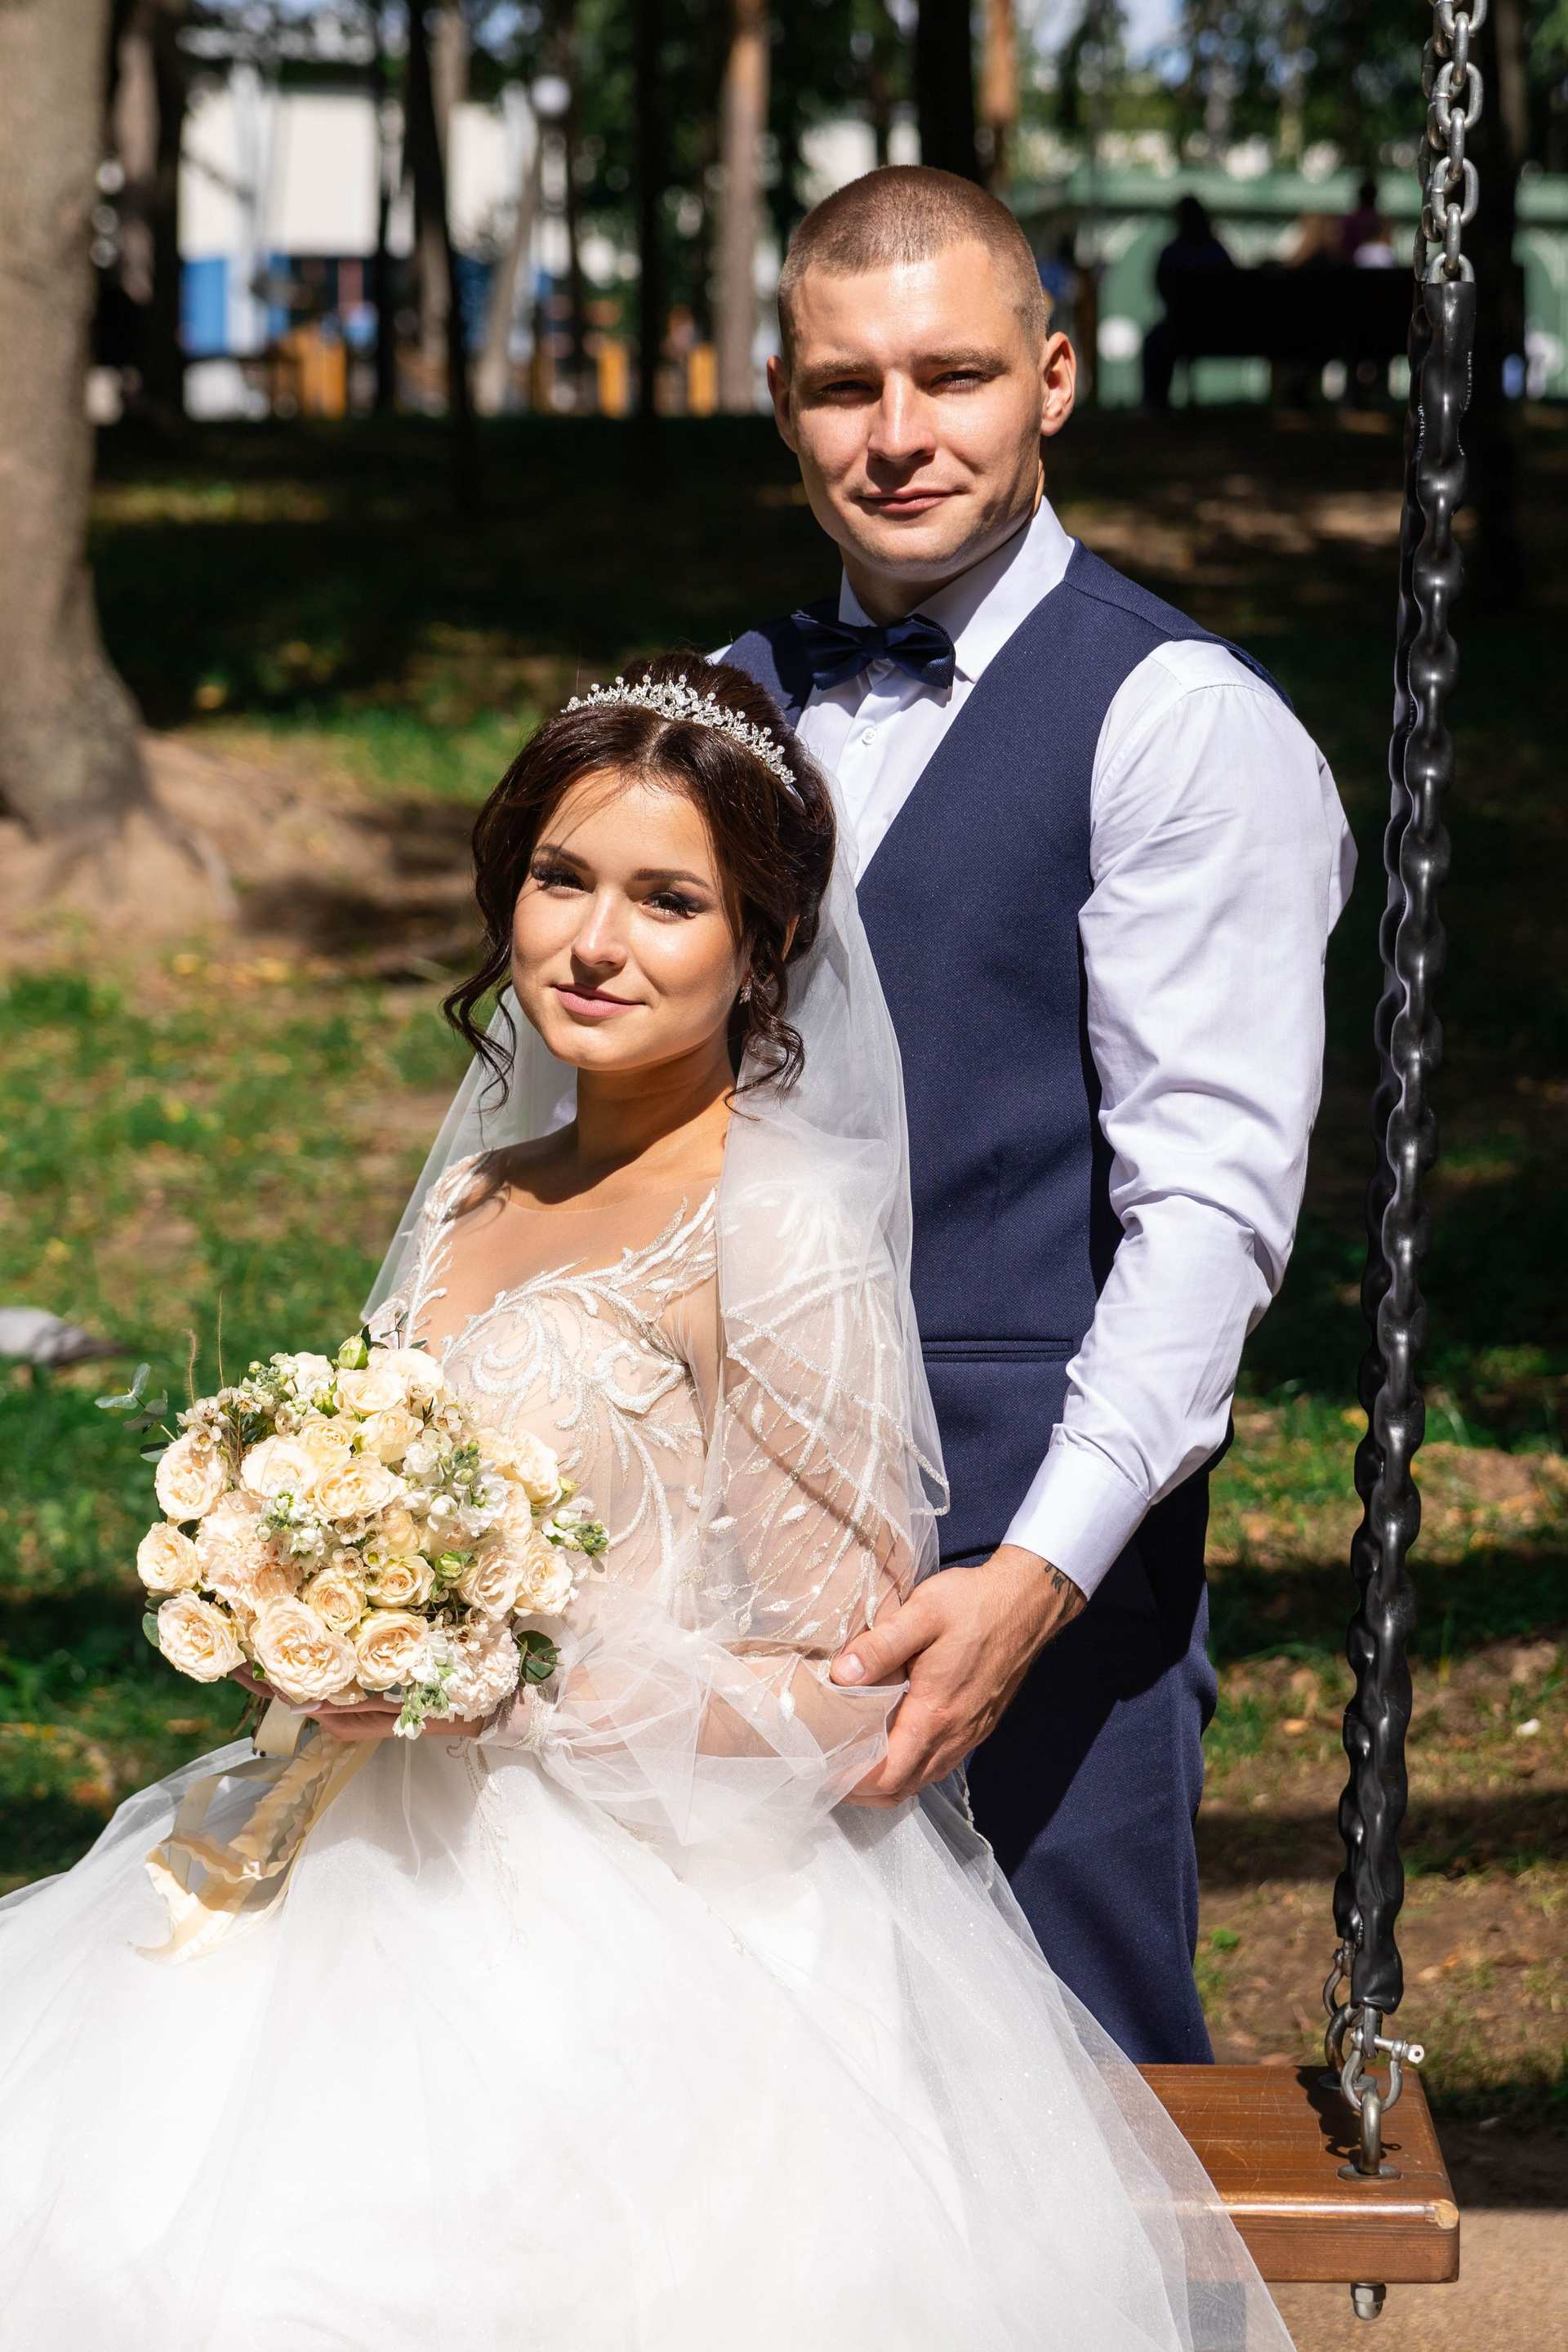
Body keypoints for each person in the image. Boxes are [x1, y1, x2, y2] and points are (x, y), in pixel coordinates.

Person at [0, 657, 1290, 2349]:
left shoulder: (774, 1227)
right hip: (356, 1835)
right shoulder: (479, 1191)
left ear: (762, 943)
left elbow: (850, 1694)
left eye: (668, 900)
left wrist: (501, 1687)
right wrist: (301, 1596)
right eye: (563, 879)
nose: (596, 943)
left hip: (646, 1920)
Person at [724, 166, 1354, 2065]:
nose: (900, 434)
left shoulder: (1174, 720)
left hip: (1026, 1551)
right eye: (849, 386)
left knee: (1072, 2108)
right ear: (783, 401)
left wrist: (1036, 1577)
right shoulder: (719, 705)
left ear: (1053, 381)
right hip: (712, 1556)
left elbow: (1209, 1216)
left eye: (955, 376)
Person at [1140, 192, 1236, 409]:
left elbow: (1161, 289)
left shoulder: (1172, 253)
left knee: (1155, 341)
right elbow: (1232, 288)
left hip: (1181, 329)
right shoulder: (1217, 252)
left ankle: (1155, 402)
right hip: (1219, 329)